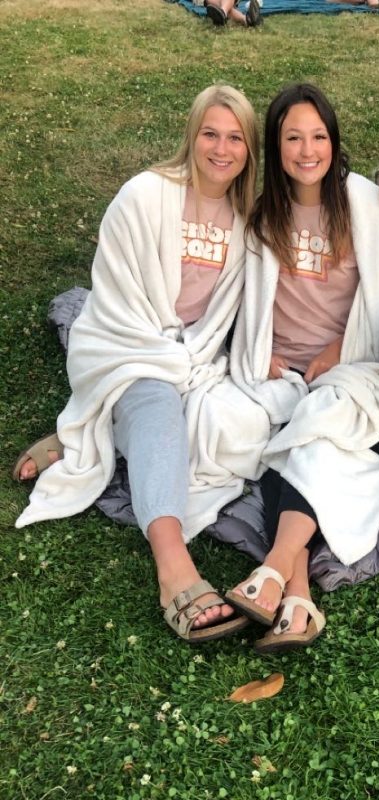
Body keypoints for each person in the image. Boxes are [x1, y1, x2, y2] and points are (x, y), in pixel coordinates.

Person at [14, 84, 270, 643]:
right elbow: (117, 298)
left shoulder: (248, 220)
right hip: (126, 341)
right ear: (191, 135)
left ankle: (89, 427)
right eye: (210, 134)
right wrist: (161, 359)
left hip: (197, 355)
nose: (221, 149)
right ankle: (174, 567)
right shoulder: (144, 196)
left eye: (235, 138)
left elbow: (242, 308)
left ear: (249, 149)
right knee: (156, 405)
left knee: (242, 424)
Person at [225, 83, 379, 654]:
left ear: (335, 143)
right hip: (274, 366)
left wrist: (338, 351)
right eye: (293, 137)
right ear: (276, 145)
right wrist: (253, 345)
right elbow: (235, 293)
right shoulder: (260, 211)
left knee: (312, 434)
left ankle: (272, 569)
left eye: (318, 136)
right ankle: (297, 597)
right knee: (273, 438)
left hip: (347, 363)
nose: (307, 149)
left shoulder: (366, 206)